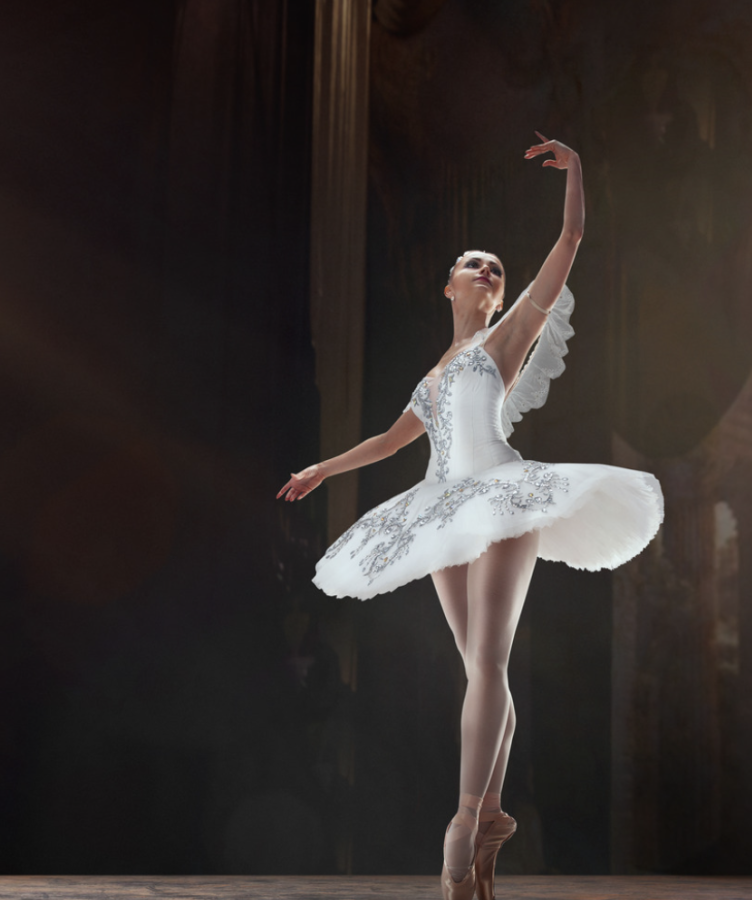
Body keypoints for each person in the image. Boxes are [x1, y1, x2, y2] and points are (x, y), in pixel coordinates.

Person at [277, 132, 663, 899]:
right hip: (439, 508)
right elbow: (391, 441)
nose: (485, 270)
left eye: (495, 268)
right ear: (449, 286)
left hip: (500, 495)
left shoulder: (508, 335)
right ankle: (489, 820)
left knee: (487, 663)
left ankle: (461, 827)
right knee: (481, 669)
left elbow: (572, 239)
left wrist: (578, 169)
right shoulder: (432, 374)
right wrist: (325, 467)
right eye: (472, 264)